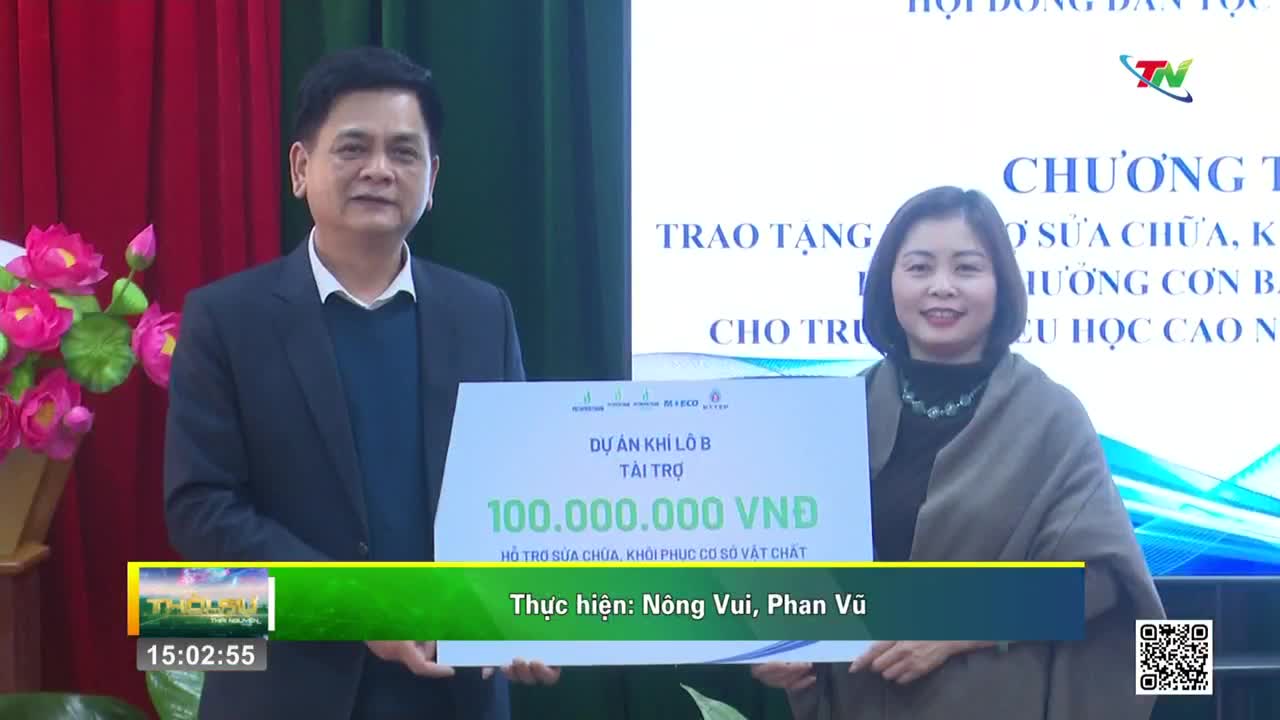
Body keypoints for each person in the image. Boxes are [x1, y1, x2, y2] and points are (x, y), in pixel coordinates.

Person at [163, 46, 559, 720]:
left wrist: (530, 613)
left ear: (432, 178)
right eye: (353, 148)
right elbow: (200, 511)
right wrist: (360, 607)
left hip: (453, 692)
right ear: (300, 168)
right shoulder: (225, 318)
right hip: (282, 690)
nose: (379, 169)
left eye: (404, 152)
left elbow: (523, 495)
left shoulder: (482, 313)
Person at [751, 186, 1166, 719]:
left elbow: (1109, 586)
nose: (942, 287)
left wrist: (955, 627)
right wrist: (776, 646)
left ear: (1001, 285)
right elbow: (792, 579)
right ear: (888, 283)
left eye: (967, 268)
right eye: (919, 267)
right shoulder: (834, 415)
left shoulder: (1051, 416)